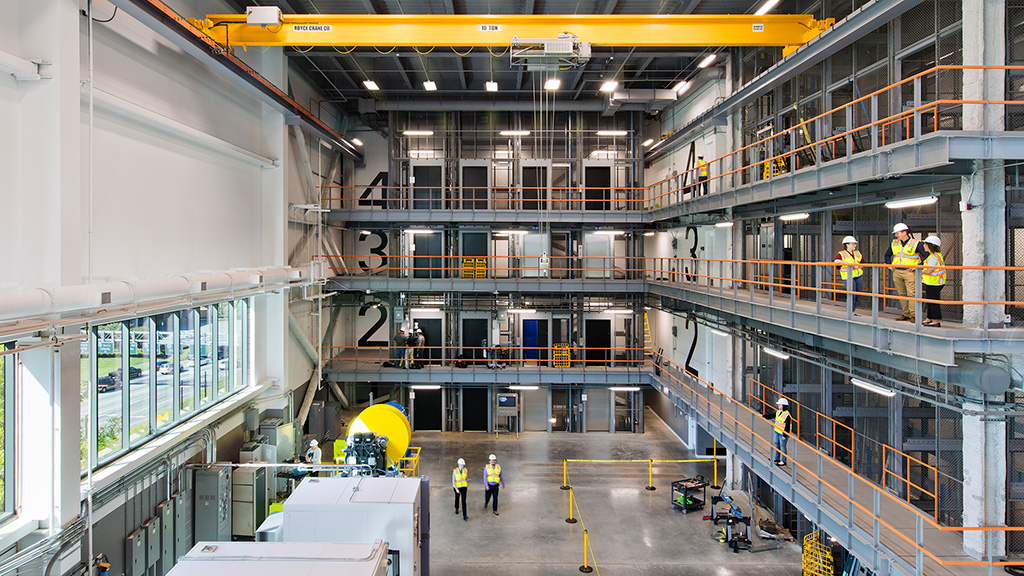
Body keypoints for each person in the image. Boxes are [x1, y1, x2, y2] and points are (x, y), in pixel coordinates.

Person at [884, 223, 928, 322]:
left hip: (909, 272)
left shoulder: (916, 243)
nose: (896, 235)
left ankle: (914, 315)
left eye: (897, 233)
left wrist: (918, 266)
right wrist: (889, 265)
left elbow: (926, 255)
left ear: (904, 232)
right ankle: (906, 314)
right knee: (901, 293)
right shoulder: (894, 243)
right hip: (897, 272)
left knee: (911, 293)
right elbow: (887, 255)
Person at [834, 236, 864, 313]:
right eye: (853, 244)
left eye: (855, 244)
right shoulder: (842, 254)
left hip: (858, 275)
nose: (854, 245)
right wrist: (851, 264)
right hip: (848, 276)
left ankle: (852, 311)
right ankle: (850, 312)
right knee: (851, 294)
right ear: (847, 244)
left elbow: (863, 263)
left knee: (856, 294)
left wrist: (859, 266)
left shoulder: (857, 253)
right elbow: (837, 261)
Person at [921, 235, 946, 327]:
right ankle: (929, 318)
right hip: (933, 282)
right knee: (929, 300)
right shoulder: (934, 256)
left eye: (925, 244)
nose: (924, 246)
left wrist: (918, 270)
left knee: (933, 301)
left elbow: (929, 271)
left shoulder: (933, 257)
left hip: (935, 282)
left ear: (930, 245)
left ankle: (936, 320)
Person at [768, 398, 791, 466]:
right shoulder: (778, 412)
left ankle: (783, 461)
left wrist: (784, 435)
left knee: (782, 446)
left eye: (779, 404)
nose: (778, 406)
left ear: (783, 405)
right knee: (776, 444)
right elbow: (772, 415)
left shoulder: (787, 415)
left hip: (783, 434)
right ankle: (777, 458)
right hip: (777, 432)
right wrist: (764, 416)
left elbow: (787, 426)